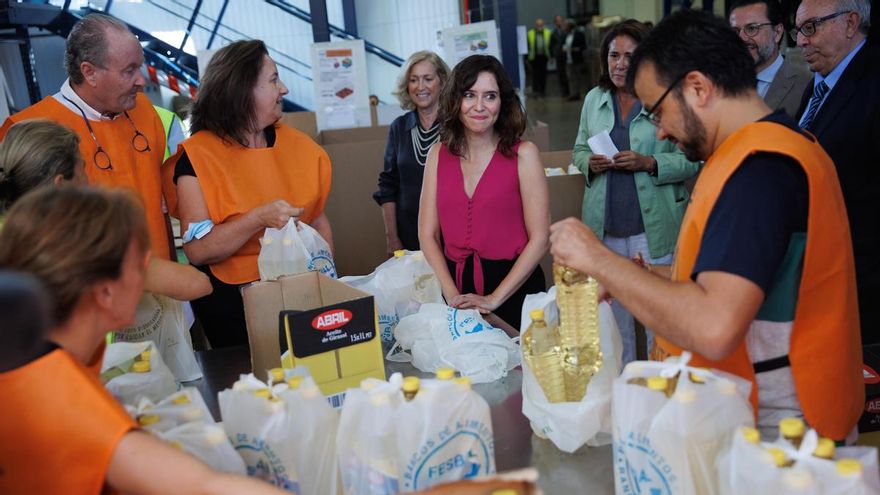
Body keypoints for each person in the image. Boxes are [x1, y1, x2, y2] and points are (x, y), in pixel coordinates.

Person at [551, 9, 861, 441]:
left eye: (657, 112)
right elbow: (737, 277)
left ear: (697, 88)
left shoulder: (759, 169)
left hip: (781, 431)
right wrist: (638, 277)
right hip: (757, 413)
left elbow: (714, 326)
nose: (658, 133)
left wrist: (598, 259)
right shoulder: (756, 152)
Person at [0, 187, 286, 494]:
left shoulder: (34, 356)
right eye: (141, 264)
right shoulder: (59, 396)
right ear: (105, 293)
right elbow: (203, 487)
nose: (147, 275)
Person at [167, 40, 333, 348]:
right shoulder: (198, 158)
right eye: (273, 80)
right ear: (242, 91)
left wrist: (326, 279)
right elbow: (198, 250)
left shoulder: (302, 149)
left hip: (301, 290)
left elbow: (318, 218)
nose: (283, 89)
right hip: (233, 307)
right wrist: (258, 218)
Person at [572, 19, 700, 365]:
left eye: (630, 56)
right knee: (616, 327)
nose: (620, 64)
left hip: (652, 232)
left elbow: (693, 163)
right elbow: (579, 149)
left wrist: (650, 163)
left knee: (661, 323)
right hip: (606, 230)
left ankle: (666, 396)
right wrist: (589, 163)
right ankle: (628, 398)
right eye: (614, 55)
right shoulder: (594, 100)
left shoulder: (665, 98)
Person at [0, 13, 172, 261]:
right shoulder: (27, 129)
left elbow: (160, 205)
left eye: (140, 65)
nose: (141, 80)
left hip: (163, 279)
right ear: (89, 72)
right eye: (129, 70)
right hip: (90, 287)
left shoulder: (143, 109)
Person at [0, 119, 210, 301]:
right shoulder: (78, 247)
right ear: (61, 185)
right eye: (82, 169)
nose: (89, 181)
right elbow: (196, 284)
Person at [419, 54, 549, 330]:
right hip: (455, 287)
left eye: (490, 96)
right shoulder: (437, 155)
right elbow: (427, 234)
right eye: (469, 95)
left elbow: (540, 238)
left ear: (502, 102)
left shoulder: (524, 155)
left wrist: (493, 299)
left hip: (515, 289)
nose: (479, 106)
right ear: (456, 100)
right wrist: (452, 296)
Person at [794, 0, 879, 346]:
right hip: (822, 273)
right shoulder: (818, 86)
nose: (801, 40)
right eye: (799, 29)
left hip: (865, 281)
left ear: (850, 23)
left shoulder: (872, 82)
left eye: (810, 27)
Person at [373, 51, 450, 254]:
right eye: (414, 80)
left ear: (442, 81)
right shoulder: (398, 128)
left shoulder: (456, 127)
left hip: (451, 236)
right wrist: (392, 237)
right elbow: (388, 186)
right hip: (409, 236)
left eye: (428, 79)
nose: (420, 86)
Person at [729, 0, 812, 118]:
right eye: (735, 31)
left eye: (752, 28)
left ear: (777, 32)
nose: (741, 38)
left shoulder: (807, 85)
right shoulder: (720, 81)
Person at [563, 19, 588, 102]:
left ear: (570, 26)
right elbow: (564, 44)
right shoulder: (566, 35)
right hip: (568, 59)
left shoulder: (579, 34)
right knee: (570, 77)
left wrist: (577, 49)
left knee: (577, 77)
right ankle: (572, 94)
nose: (564, 27)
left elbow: (584, 46)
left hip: (577, 59)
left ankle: (577, 94)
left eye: (566, 25)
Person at [527, 19, 552, 97]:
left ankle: (542, 90)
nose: (539, 26)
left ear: (543, 25)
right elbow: (528, 46)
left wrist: (551, 57)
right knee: (535, 74)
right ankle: (536, 90)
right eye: (538, 24)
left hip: (544, 56)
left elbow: (551, 45)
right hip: (534, 57)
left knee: (543, 74)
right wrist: (526, 59)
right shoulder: (530, 33)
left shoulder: (548, 32)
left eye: (541, 24)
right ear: (535, 25)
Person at [551, 15, 570, 98]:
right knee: (561, 74)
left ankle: (568, 91)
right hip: (558, 55)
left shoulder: (565, 31)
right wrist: (553, 54)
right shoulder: (553, 33)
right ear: (555, 22)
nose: (559, 22)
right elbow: (551, 45)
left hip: (566, 55)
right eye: (557, 21)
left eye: (560, 20)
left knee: (567, 73)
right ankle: (563, 92)